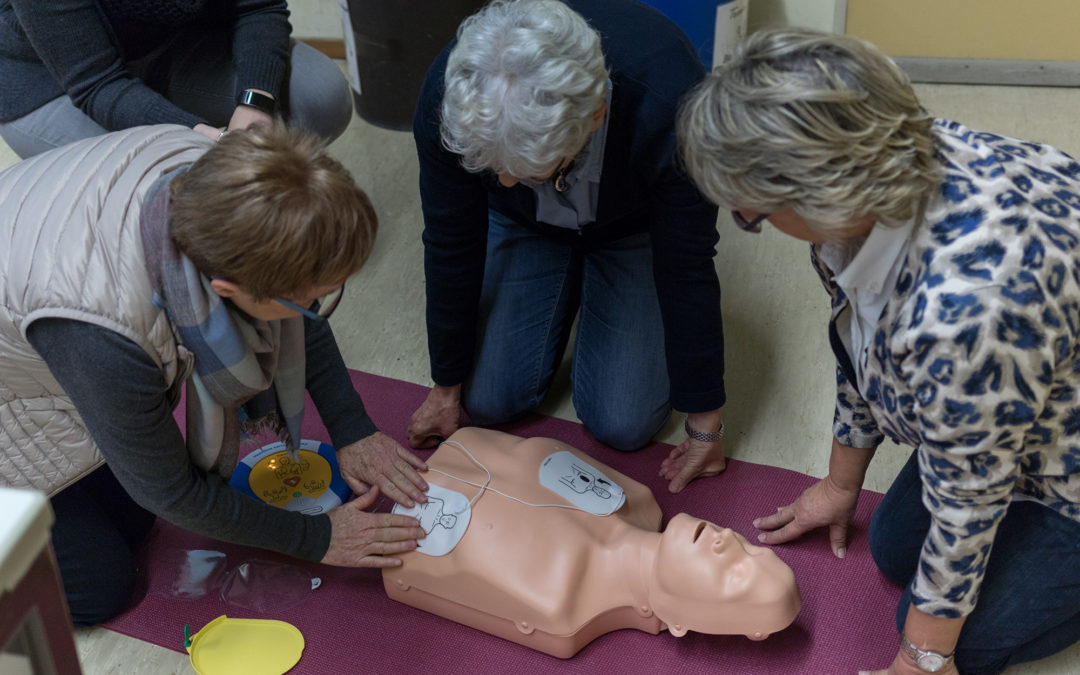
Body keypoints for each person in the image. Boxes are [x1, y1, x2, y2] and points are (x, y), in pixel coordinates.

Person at [678, 27, 1080, 675]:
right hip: (1026, 390)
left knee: (951, 643)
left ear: (820, 195)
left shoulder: (964, 312)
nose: (750, 221)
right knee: (895, 551)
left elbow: (968, 499)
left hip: (1069, 457)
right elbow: (859, 337)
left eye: (752, 213)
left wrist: (921, 659)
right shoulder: (884, 153)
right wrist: (841, 483)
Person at [0, 122, 429, 625]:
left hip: (38, 310)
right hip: (20, 385)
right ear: (225, 289)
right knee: (101, 587)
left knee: (135, 524)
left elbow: (294, 302)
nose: (318, 309)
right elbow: (171, 493)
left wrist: (352, 426)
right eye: (315, 298)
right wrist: (317, 538)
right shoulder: (105, 335)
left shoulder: (229, 168)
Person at [407, 0, 728, 493]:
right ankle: (560, 278)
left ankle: (593, 282)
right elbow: (450, 242)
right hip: (526, 225)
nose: (508, 180)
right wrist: (445, 385)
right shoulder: (456, 95)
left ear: (597, 115)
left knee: (624, 423)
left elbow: (687, 265)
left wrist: (705, 421)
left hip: (634, 229)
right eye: (495, 168)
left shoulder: (674, 101)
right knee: (488, 400)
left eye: (528, 168)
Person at [384, 427, 801, 658]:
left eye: (734, 573)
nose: (728, 541)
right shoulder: (636, 498)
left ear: (680, 622)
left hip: (401, 526)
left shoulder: (559, 602)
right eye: (751, 548)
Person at [0, 0, 353, 158]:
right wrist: (208, 139)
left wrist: (255, 105)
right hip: (50, 80)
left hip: (168, 41)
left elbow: (258, 7)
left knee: (321, 96)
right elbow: (98, 84)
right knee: (164, 183)